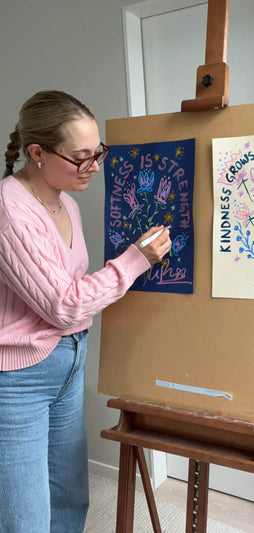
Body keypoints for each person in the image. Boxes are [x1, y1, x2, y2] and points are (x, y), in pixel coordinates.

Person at [0, 90, 171, 533]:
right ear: (37, 153)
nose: (94, 166)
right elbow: (64, 304)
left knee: (71, 496)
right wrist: (135, 260)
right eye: (80, 157)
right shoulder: (10, 210)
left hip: (70, 359)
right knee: (24, 518)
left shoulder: (67, 203)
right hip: (18, 377)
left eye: (98, 152)